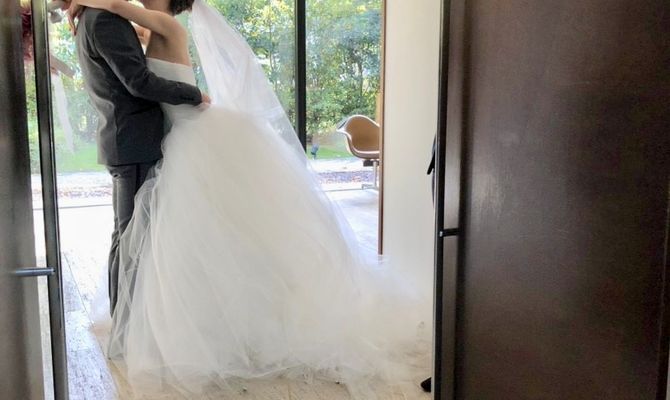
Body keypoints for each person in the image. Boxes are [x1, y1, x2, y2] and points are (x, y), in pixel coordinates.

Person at [67, 0, 428, 397]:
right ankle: (169, 321)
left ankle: (205, 324)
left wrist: (79, 2)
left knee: (186, 235)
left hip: (187, 133)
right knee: (176, 238)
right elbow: (126, 31)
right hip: (173, 137)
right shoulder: (150, 27)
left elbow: (116, 6)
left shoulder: (165, 25)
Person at [69, 0, 209, 315]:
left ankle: (132, 318)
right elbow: (138, 81)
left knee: (134, 235)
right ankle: (125, 321)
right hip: (134, 142)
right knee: (131, 236)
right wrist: (195, 95)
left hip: (147, 140)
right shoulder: (108, 20)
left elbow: (120, 8)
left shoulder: (152, 24)